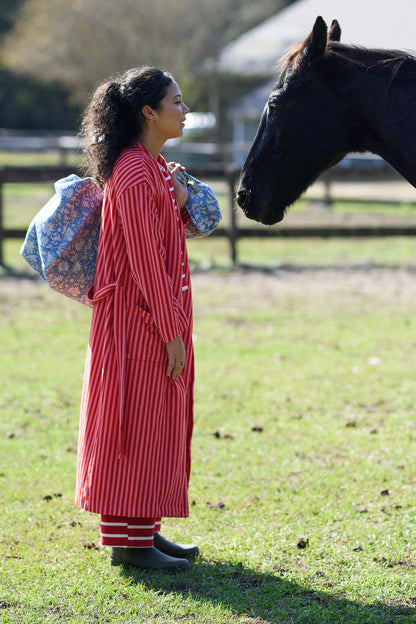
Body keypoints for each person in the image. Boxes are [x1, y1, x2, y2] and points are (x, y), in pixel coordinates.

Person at [75, 66, 198, 571]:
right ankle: (128, 544)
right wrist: (171, 332)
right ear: (148, 112)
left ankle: (145, 530)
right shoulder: (131, 172)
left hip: (149, 317)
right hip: (135, 322)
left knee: (154, 422)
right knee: (131, 424)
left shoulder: (151, 167)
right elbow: (146, 259)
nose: (184, 109)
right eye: (176, 101)